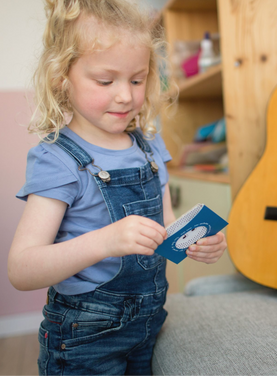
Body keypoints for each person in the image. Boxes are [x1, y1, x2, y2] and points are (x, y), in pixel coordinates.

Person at [7, 0, 227, 374]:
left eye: (137, 80)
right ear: (63, 77)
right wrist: (106, 241)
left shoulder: (150, 145)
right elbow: (22, 268)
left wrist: (196, 241)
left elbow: (168, 232)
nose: (125, 95)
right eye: (106, 81)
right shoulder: (57, 160)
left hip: (149, 322)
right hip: (84, 336)